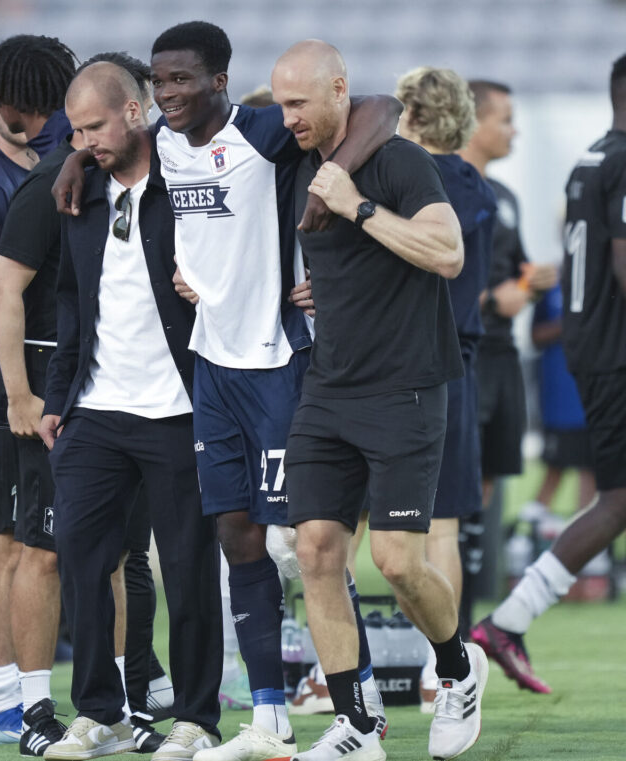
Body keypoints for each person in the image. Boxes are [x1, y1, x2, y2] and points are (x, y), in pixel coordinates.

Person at [55, 23, 398, 761]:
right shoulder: (162, 144)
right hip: (210, 366)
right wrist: (71, 164)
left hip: (278, 360)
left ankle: (361, 697)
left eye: (183, 80)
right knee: (238, 538)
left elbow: (380, 109)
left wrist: (332, 187)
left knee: (307, 544)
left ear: (218, 81)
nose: (170, 93)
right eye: (160, 80)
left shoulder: (263, 133)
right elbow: (100, 139)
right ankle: (268, 716)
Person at [274, 40, 487, 761]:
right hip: (329, 389)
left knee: (397, 562)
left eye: (299, 102)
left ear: (339, 90)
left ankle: (458, 668)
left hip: (406, 389)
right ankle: (357, 725)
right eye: (281, 103)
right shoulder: (297, 163)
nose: (288, 116)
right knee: (316, 550)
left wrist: (357, 206)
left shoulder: (398, 162)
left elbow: (447, 252)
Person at [0, 50, 171, 755]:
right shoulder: (45, 188)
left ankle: (117, 704)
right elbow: (1, 292)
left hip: (112, 396)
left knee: (117, 554)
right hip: (55, 390)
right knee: (43, 551)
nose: (92, 138)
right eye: (81, 127)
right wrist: (20, 392)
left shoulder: (119, 174)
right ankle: (34, 707)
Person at [37, 62, 221, 761]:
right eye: (74, 129)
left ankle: (198, 716)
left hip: (180, 408)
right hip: (94, 409)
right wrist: (58, 398)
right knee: (79, 559)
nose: (82, 142)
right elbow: (69, 301)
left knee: (186, 566)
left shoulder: (190, 182)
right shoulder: (78, 189)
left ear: (137, 112)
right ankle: (101, 713)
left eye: (94, 126)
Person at [470, 51, 626, 696]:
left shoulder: (593, 156)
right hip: (616, 352)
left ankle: (509, 620)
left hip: (593, 348)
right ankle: (506, 621)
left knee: (617, 498)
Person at [0, 35, 76, 748]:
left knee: (45, 540)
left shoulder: (56, 159)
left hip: (57, 368)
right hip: (5, 381)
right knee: (3, 541)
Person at [394, 66, 496, 710]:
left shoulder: (403, 179)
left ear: (411, 112)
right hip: (455, 361)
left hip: (392, 362)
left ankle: (328, 674)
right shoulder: (476, 185)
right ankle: (443, 675)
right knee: (444, 529)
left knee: (347, 529)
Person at [458, 80, 558, 507]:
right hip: (462, 354)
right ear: (475, 123)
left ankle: (476, 567)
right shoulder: (444, 192)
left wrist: (532, 282)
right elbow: (436, 282)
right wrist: (495, 300)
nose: (514, 131)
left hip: (502, 352)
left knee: (491, 475)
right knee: (455, 478)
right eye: (506, 121)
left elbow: (519, 270)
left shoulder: (506, 197)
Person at [525, 284, 596, 517]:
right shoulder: (551, 287)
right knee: (555, 469)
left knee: (591, 470)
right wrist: (569, 325)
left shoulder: (602, 285)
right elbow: (535, 336)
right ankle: (527, 533)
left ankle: (588, 541)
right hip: (561, 403)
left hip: (595, 398)